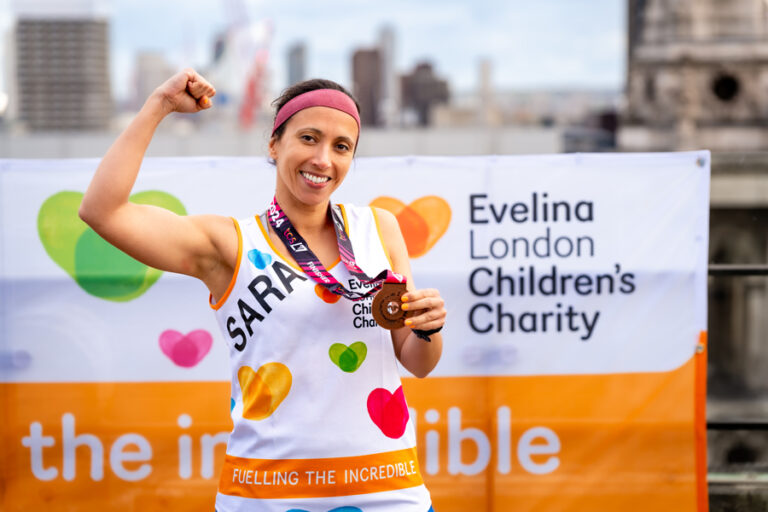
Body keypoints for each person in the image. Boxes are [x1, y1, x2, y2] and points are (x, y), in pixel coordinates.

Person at [79, 69, 445, 511]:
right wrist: (158, 105)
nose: (323, 160)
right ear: (274, 144)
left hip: (387, 491)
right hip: (268, 496)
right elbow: (103, 211)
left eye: (341, 147)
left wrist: (428, 328)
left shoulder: (379, 229)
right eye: (309, 138)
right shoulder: (230, 244)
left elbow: (416, 362)